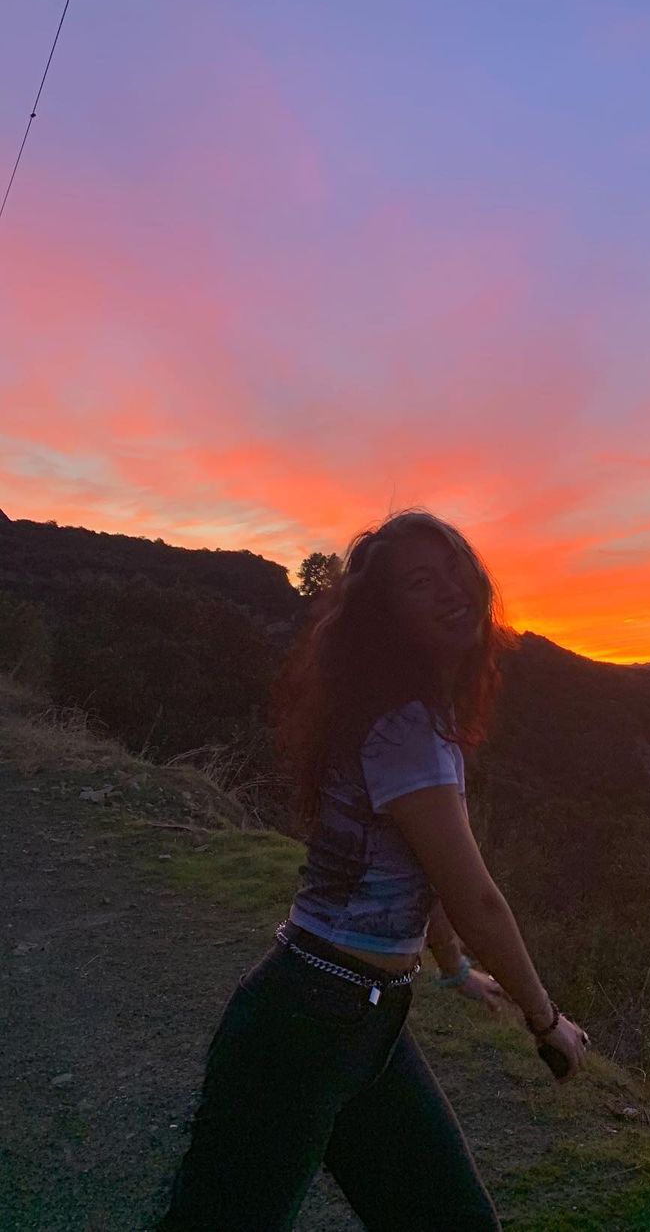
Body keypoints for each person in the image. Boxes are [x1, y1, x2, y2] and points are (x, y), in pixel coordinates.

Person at [154, 508, 590, 1231]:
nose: (450, 590)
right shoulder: (406, 728)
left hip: (365, 1022)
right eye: (420, 583)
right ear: (388, 616)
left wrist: (452, 967)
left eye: (454, 570)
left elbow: (420, 869)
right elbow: (476, 897)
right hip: (303, 1023)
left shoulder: (404, 715)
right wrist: (546, 1022)